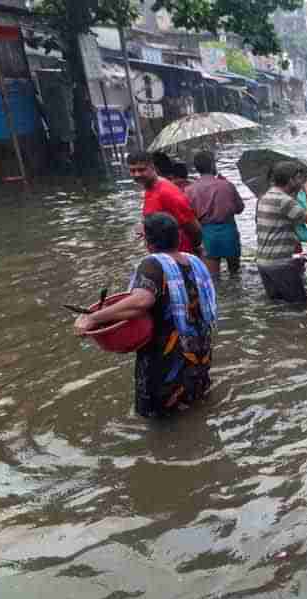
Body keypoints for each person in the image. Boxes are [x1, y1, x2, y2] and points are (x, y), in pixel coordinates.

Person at [74, 212, 216, 418]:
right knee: (195, 406)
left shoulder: (152, 264)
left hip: (167, 354)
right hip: (198, 349)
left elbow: (141, 301)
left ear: (150, 242)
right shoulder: (193, 261)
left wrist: (93, 318)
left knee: (159, 418)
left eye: (142, 237)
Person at [255, 161, 307, 305]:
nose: (301, 181)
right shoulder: (285, 201)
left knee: (278, 307)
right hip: (280, 264)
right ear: (290, 180)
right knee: (299, 307)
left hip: (264, 263)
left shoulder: (266, 196)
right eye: (298, 178)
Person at [128, 151, 203, 256]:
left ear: (152, 167)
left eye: (141, 170)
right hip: (163, 257)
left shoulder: (167, 192)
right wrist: (146, 228)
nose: (137, 174)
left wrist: (194, 251)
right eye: (132, 170)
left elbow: (193, 227)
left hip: (179, 257)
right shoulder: (149, 188)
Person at [184, 150, 244, 279]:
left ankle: (220, 298)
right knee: (235, 274)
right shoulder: (227, 185)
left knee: (213, 278)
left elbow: (189, 216)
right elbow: (240, 208)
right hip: (229, 231)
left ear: (197, 168)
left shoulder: (189, 190)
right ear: (212, 165)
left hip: (207, 234)